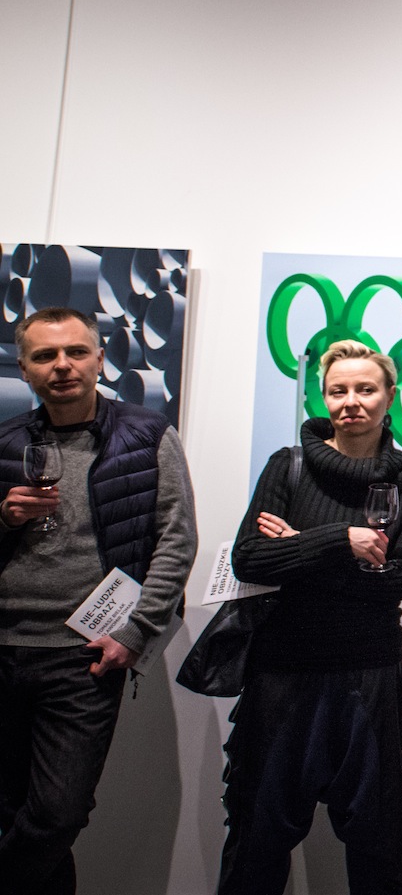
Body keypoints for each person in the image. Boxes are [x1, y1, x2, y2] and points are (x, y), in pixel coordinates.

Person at [216, 339, 402, 895]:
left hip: (369, 678)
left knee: (378, 848)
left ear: (390, 397)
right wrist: (340, 541)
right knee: (256, 843)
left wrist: (298, 549)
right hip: (281, 674)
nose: (350, 401)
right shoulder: (286, 466)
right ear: (323, 396)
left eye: (365, 389)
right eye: (338, 390)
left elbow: (400, 580)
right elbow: (249, 559)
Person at [0, 306, 197, 895]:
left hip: (82, 656)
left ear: (100, 358)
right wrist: (3, 517)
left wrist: (136, 633)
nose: (62, 365)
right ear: (25, 369)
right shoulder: (5, 442)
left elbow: (176, 540)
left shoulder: (147, 434)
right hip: (4, 649)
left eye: (76, 352)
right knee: (15, 813)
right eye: (44, 356)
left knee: (58, 813)